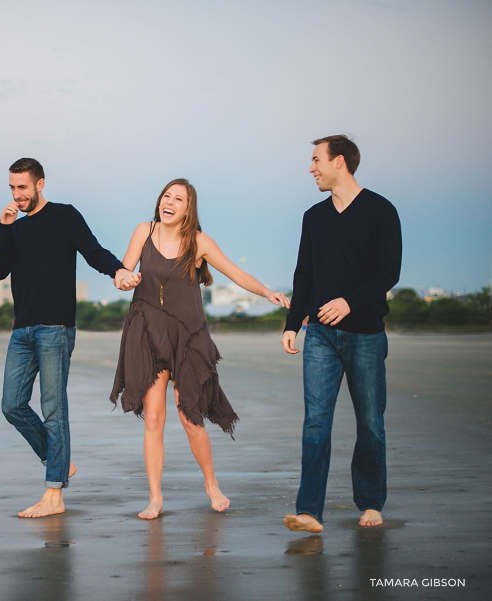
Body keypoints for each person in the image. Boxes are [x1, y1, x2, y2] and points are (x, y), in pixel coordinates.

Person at [110, 178, 289, 520]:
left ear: (188, 209)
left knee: (189, 416)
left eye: (178, 199)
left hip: (187, 336)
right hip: (146, 333)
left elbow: (236, 274)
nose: (170, 202)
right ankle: (155, 498)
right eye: (166, 196)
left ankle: (210, 483)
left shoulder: (199, 242)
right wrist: (123, 279)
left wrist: (268, 293)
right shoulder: (142, 231)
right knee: (153, 418)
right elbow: (122, 271)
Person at [0, 157, 140, 518]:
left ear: (40, 184)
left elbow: (92, 251)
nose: (16, 194)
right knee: (12, 405)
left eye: (22, 187)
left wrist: (118, 270)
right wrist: (3, 227)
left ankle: (53, 495)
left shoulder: (64, 216)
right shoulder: (16, 226)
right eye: (11, 187)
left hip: (55, 328)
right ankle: (57, 460)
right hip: (22, 329)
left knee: (54, 410)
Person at [281, 135, 402, 533]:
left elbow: (388, 273)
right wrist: (292, 323)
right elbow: (304, 275)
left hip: (366, 334)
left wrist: (349, 302)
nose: (311, 168)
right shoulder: (313, 217)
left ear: (340, 162)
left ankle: (370, 502)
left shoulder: (381, 211)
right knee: (316, 423)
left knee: (370, 422)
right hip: (319, 337)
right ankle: (309, 512)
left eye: (316, 160)